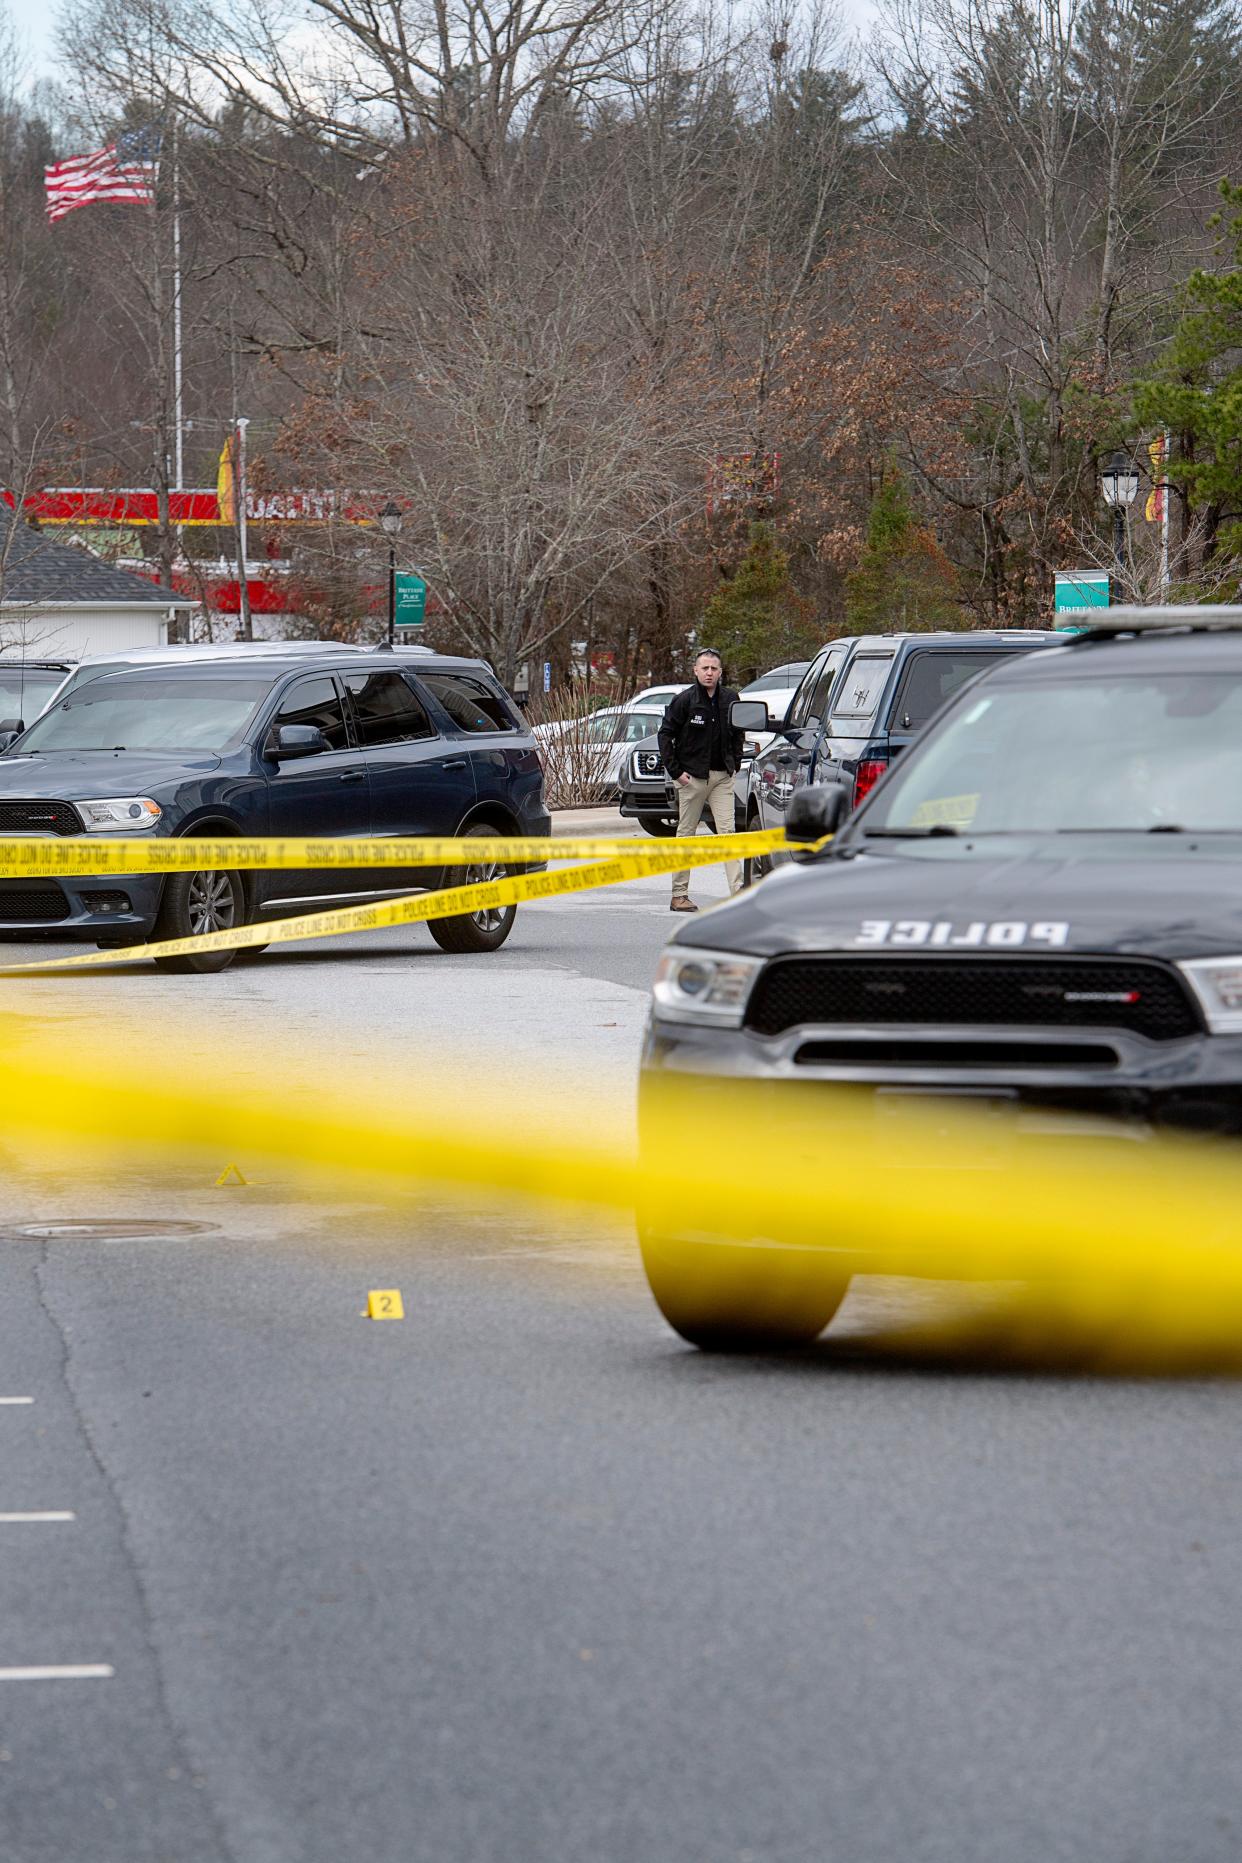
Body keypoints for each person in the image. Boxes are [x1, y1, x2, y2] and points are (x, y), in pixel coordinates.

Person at [657, 647, 745, 912]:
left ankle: (739, 894)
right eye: (704, 668)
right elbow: (665, 735)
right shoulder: (684, 700)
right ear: (695, 670)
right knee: (686, 834)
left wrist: (736, 763)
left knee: (728, 834)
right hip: (691, 778)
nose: (709, 673)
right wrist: (676, 773)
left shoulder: (731, 698)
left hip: (722, 778)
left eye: (714, 668)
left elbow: (738, 733)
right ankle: (679, 895)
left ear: (720, 672)